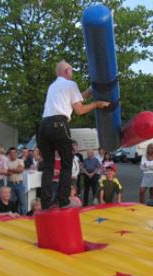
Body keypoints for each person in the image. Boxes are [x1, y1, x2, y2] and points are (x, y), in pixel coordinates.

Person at [37, 60, 109, 209]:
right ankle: (63, 200)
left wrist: (89, 91)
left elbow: (73, 101)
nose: (73, 73)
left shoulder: (53, 86)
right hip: (58, 124)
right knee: (67, 163)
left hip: (43, 126)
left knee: (48, 166)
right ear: (66, 71)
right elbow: (80, 110)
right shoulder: (70, 84)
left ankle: (45, 203)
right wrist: (97, 104)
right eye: (71, 70)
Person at [7, 147, 26, 214]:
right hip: (10, 184)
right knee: (11, 202)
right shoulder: (7, 162)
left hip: (19, 184)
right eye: (11, 153)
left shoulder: (20, 161)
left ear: (17, 153)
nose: (13, 154)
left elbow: (20, 170)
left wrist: (10, 169)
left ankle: (24, 217)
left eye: (14, 152)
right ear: (9, 154)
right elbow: (6, 173)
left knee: (22, 202)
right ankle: (12, 216)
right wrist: (16, 169)